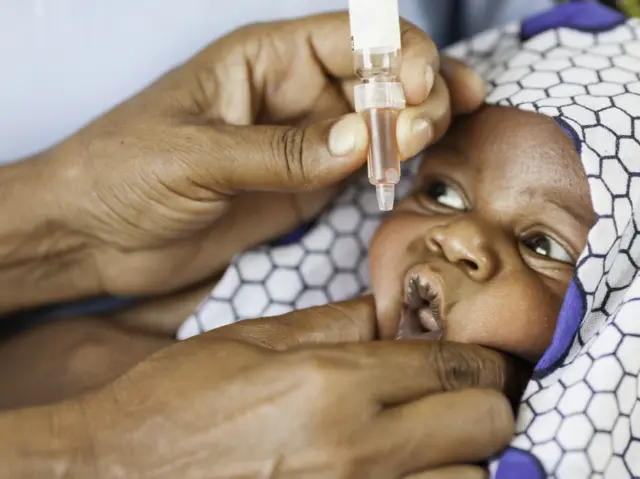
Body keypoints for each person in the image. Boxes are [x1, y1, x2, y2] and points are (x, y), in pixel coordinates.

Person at [8, 2, 638, 477]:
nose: (456, 238)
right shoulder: (236, 336)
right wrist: (93, 449)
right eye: (442, 193)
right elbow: (56, 364)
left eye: (544, 246)